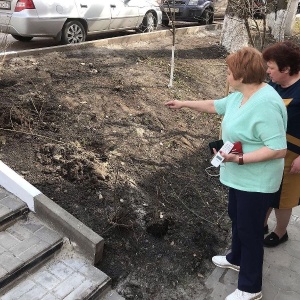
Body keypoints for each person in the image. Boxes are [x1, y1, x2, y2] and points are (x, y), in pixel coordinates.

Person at [165, 47, 287, 300]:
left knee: (251, 231)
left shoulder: (266, 104)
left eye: (230, 72)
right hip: (240, 178)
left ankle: (251, 288)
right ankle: (236, 258)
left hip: (257, 181)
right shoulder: (240, 95)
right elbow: (214, 105)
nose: (227, 76)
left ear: (243, 75)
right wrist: (183, 103)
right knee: (237, 217)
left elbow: (277, 149)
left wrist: (239, 159)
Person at [262, 41, 300, 247]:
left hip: (293, 155)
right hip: (271, 150)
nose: (267, 71)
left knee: (283, 198)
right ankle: (263, 224)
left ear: (286, 69)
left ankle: (281, 231)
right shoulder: (274, 85)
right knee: (267, 190)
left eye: (271, 68)